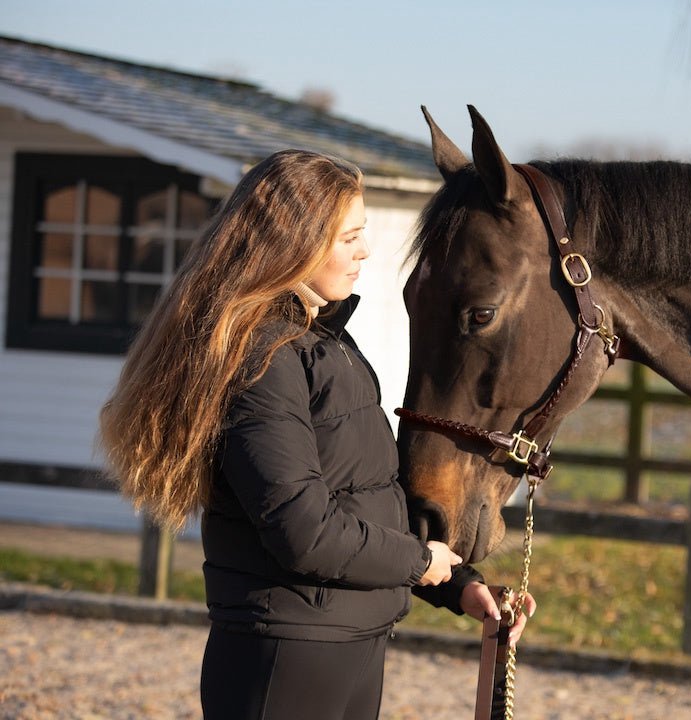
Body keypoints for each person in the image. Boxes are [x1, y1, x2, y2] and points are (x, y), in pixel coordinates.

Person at [98, 149, 535, 719]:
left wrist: (459, 586)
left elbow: (364, 502)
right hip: (288, 653)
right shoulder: (263, 359)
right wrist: (416, 562)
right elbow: (302, 529)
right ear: (294, 243)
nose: (365, 250)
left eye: (363, 232)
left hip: (347, 640)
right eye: (348, 236)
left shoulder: (323, 343)